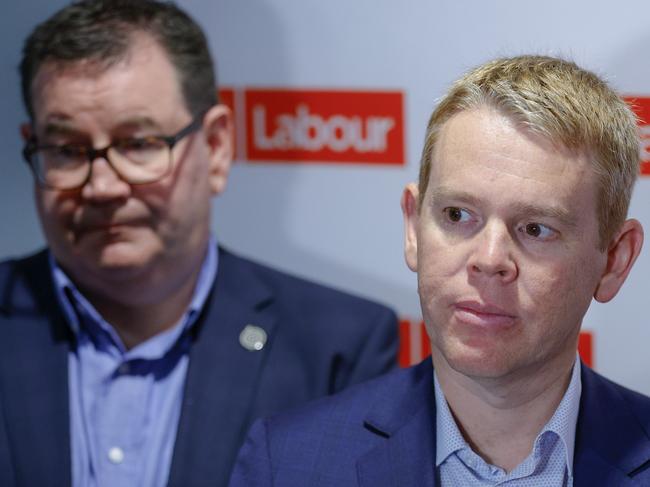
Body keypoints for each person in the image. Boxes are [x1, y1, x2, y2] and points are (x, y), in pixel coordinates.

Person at [0, 1, 398, 486]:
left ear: (216, 148)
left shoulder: (336, 349)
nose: (101, 187)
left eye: (138, 144)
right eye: (66, 150)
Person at [230, 55, 650, 486]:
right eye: (457, 214)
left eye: (536, 229)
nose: (488, 259)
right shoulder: (286, 463)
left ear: (614, 260)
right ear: (413, 227)